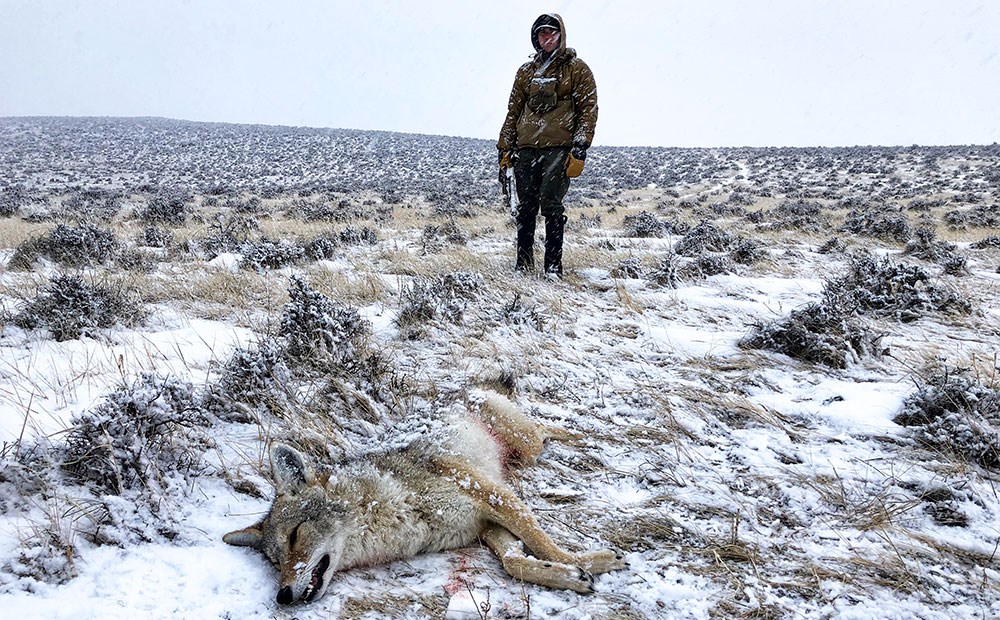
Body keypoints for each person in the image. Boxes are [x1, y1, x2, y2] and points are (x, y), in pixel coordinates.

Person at [497, 13, 598, 277]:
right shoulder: (525, 72)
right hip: (527, 147)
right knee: (525, 206)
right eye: (542, 33)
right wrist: (505, 147)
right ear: (535, 38)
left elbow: (588, 109)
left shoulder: (577, 69)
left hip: (559, 148)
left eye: (551, 32)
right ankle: (523, 265)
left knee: (551, 204)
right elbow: (513, 111)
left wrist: (580, 146)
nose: (547, 37)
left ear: (560, 35)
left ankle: (553, 268)